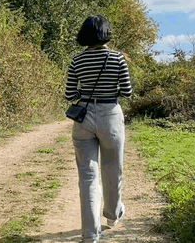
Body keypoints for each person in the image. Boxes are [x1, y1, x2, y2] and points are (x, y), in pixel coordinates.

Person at [65, 14, 132, 243]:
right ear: (106, 33)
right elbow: (127, 91)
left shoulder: (76, 60)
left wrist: (85, 94)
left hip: (83, 119)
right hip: (110, 115)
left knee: (87, 177)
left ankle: (90, 234)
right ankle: (113, 216)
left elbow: (69, 95)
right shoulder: (117, 58)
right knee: (113, 169)